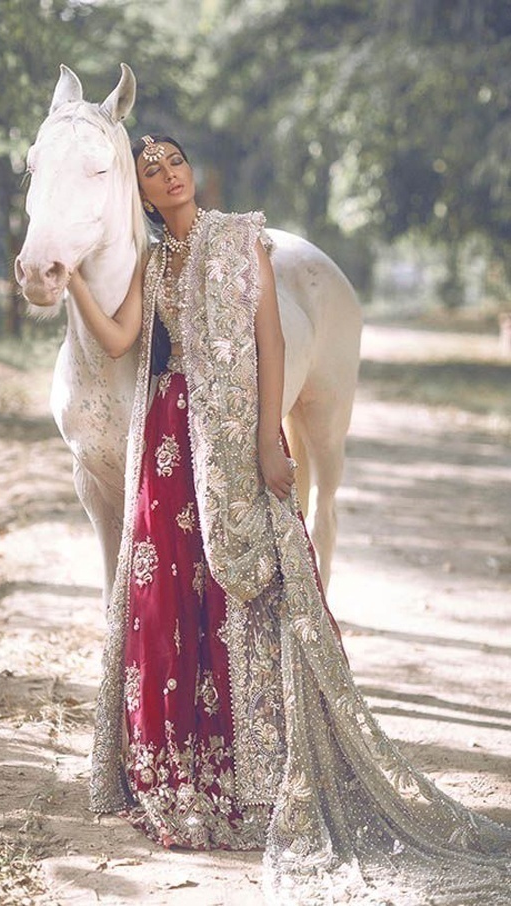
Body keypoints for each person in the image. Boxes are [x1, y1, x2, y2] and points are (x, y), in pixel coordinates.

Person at [68, 135, 510, 904]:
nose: (167, 173)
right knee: (163, 601)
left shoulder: (243, 238)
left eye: (173, 160)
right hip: (171, 439)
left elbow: (270, 338)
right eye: (151, 169)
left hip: (237, 432)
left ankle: (266, 761)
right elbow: (122, 339)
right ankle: (182, 766)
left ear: (191, 172)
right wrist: (71, 279)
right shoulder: (154, 262)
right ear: (140, 190)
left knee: (255, 584)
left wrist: (271, 435)